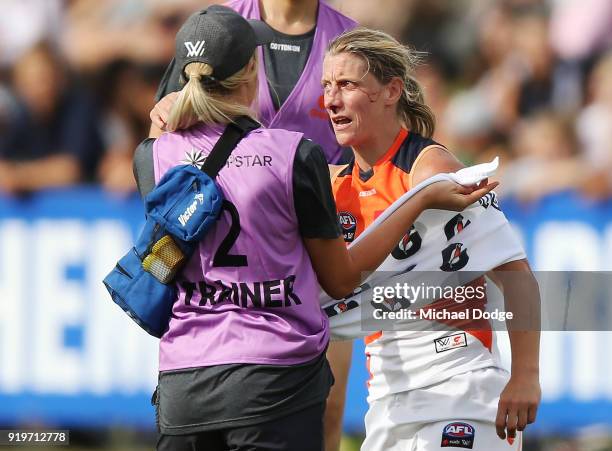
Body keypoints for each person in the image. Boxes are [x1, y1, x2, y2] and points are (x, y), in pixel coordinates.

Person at [133, 8, 496, 451]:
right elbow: (342, 279)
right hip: (276, 372)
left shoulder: (152, 157)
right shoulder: (294, 155)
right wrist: (416, 199)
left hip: (185, 377)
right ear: (253, 71)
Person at [320, 27, 541, 450]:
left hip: (461, 388)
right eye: (328, 86)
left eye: (347, 84)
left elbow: (516, 275)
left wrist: (526, 375)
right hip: (387, 400)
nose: (331, 99)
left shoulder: (430, 169)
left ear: (391, 91)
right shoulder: (334, 189)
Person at [150, 3, 357, 447]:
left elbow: (156, 152)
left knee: (333, 406)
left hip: (318, 230)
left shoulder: (347, 36)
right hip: (277, 251)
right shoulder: (222, 25)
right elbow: (166, 121)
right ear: (250, 68)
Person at [151, 0, 356, 165]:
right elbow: (161, 137)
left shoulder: (352, 38)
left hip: (321, 203)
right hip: (227, 204)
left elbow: (373, 138)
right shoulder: (214, 26)